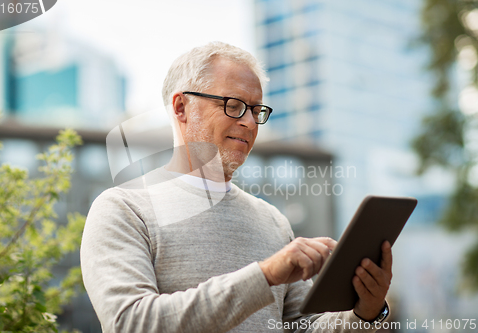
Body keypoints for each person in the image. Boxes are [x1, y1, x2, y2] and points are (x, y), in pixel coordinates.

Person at [80, 42, 392, 333]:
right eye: (234, 105)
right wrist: (265, 274)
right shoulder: (123, 209)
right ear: (180, 107)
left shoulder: (271, 220)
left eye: (257, 110)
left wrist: (365, 314)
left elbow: (300, 327)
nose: (250, 123)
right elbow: (131, 323)